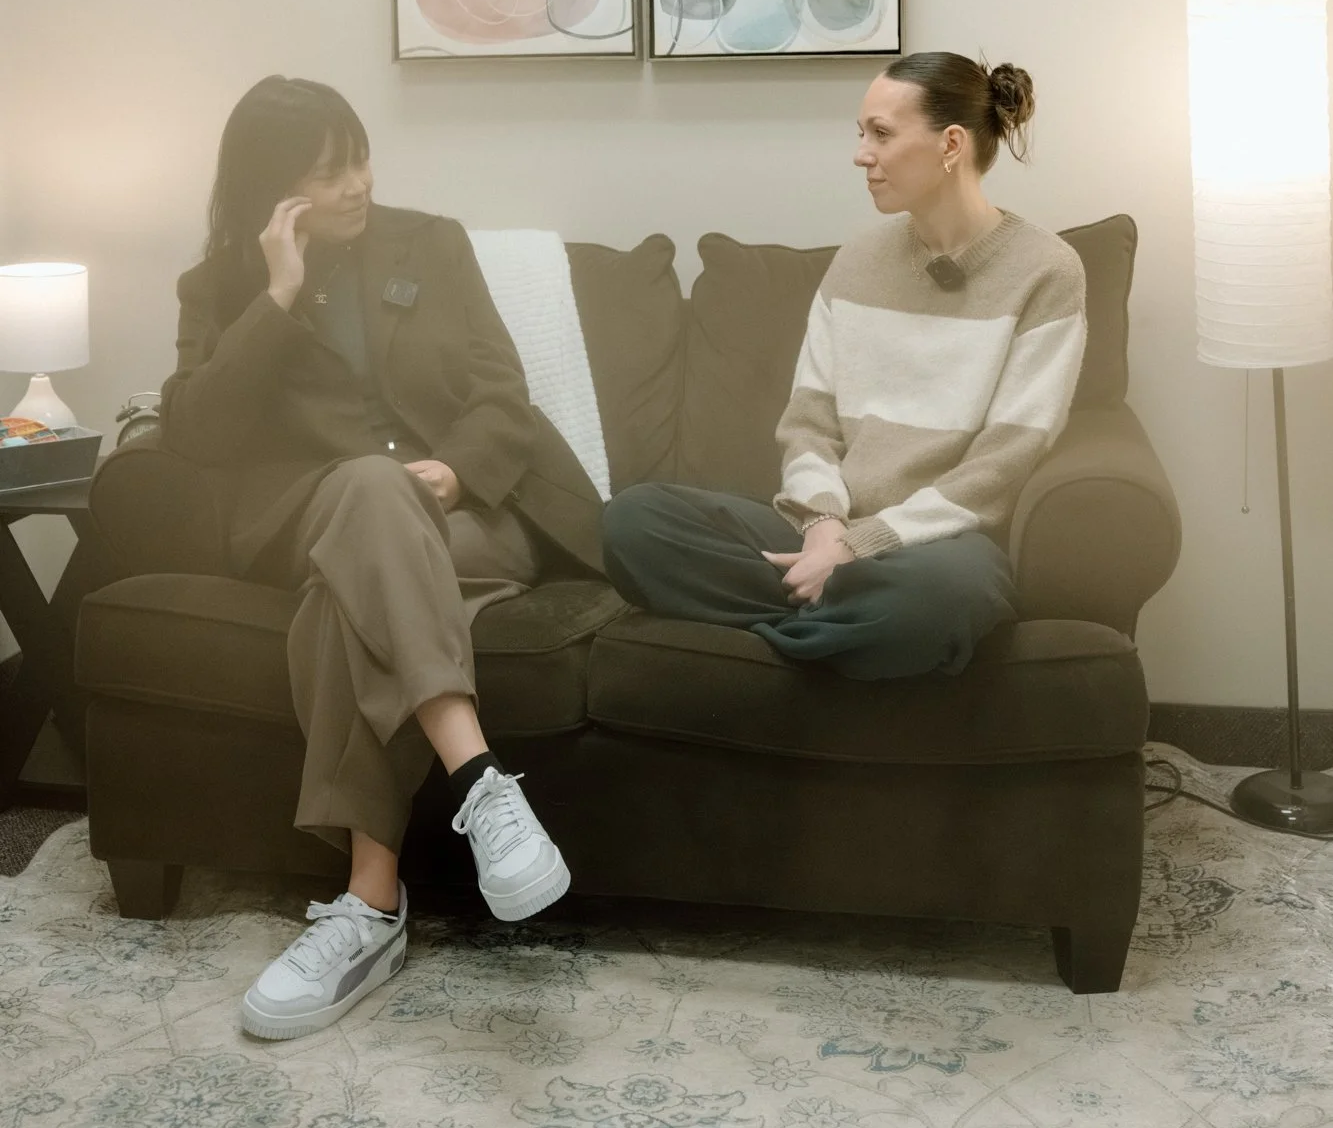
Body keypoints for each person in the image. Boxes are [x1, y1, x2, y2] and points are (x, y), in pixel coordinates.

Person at [158, 74, 605, 1039]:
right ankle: (481, 784)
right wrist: (275, 298)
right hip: (329, 514)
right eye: (328, 174)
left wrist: (452, 471)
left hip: (471, 515)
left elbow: (501, 388)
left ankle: (369, 909)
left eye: (360, 157)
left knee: (344, 596)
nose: (358, 183)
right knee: (364, 490)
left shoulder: (430, 243)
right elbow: (193, 432)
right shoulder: (224, 286)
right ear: (272, 193)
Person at [602, 52, 1088, 679]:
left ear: (951, 144)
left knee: (941, 599)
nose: (862, 154)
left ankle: (797, 637)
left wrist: (863, 545)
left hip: (938, 549)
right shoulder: (857, 260)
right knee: (634, 521)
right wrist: (826, 530)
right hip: (824, 534)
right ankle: (845, 633)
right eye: (861, 134)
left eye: (881, 134)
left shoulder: (1046, 271)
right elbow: (809, 421)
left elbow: (1003, 462)